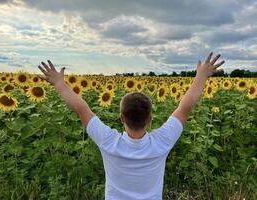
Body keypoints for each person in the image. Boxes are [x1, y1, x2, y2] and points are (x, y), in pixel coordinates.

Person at [38, 52, 225, 200]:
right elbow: (186, 107)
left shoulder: (109, 142)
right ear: (150, 118)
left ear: (121, 118)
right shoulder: (162, 142)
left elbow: (81, 108)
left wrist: (59, 83)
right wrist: (201, 76)